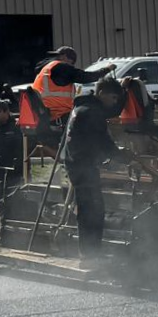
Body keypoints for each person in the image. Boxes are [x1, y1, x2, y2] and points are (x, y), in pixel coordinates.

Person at [59, 77, 124, 260]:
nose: (114, 102)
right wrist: (121, 157)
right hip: (84, 166)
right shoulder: (93, 112)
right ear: (101, 93)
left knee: (88, 209)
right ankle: (91, 254)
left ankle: (88, 252)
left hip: (75, 164)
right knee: (93, 211)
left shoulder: (80, 107)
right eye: (112, 98)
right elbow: (104, 141)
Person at [31, 46, 104, 121]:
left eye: (57, 56)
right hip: (57, 114)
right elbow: (87, 77)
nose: (56, 58)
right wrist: (107, 69)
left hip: (42, 113)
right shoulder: (62, 68)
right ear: (65, 57)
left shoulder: (46, 68)